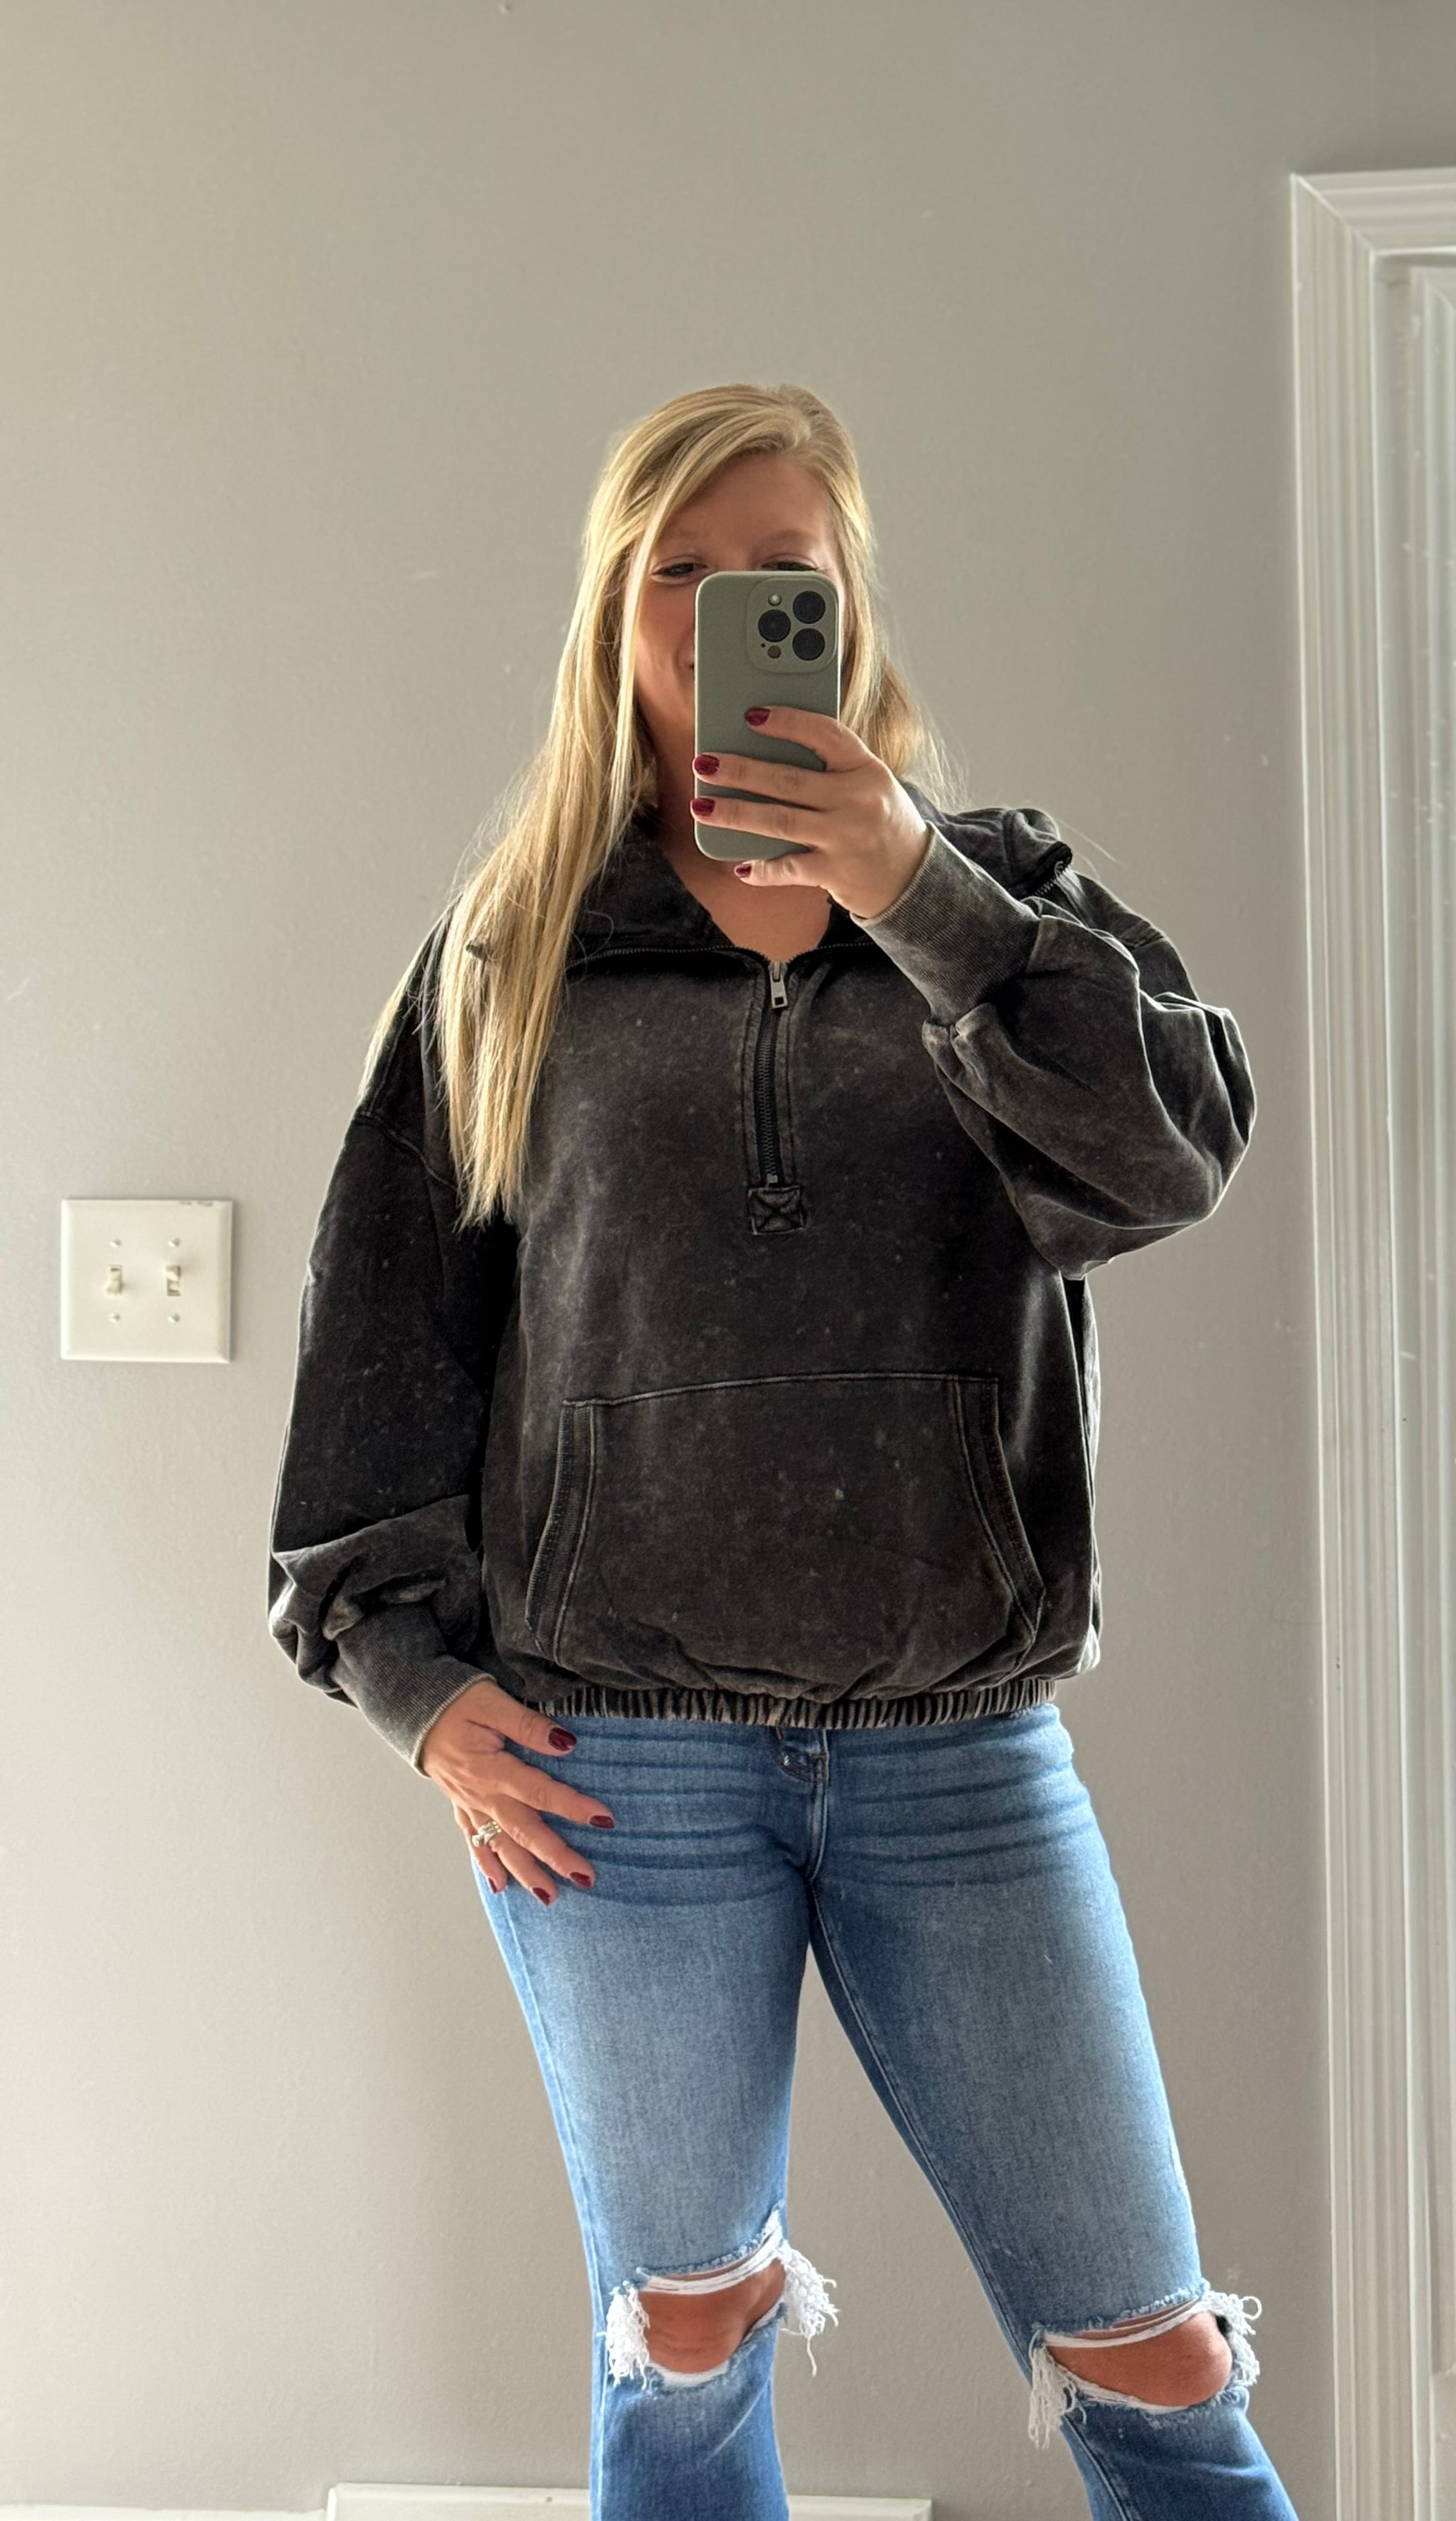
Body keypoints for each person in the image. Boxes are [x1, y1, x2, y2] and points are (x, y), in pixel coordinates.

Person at [268, 381, 1301, 2520]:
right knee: (685, 2345)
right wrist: (409, 1681)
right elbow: (383, 1339)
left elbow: (1168, 1159)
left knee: (1156, 2358)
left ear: (847, 609)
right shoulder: (513, 948)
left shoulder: (1002, 906)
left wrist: (918, 891)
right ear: (615, 613)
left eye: (785, 578)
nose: (731, 612)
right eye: (684, 574)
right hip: (611, 1768)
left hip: (958, 1750)